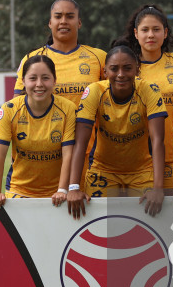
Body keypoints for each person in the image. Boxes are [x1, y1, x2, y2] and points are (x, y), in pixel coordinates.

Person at [66, 43, 167, 219]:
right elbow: (81, 143)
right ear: (105, 71)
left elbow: (157, 140)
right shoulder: (94, 91)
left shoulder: (150, 90)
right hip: (103, 170)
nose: (121, 74)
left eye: (127, 68)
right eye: (114, 69)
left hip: (141, 171)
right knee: (98, 225)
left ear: (137, 70)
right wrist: (74, 187)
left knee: (145, 225)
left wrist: (158, 188)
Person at [115, 4, 173, 191]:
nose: (151, 35)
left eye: (156, 29)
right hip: (133, 161)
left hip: (171, 156)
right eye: (145, 30)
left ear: (165, 32)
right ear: (136, 33)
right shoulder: (126, 67)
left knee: (169, 217)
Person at [0, 55, 76, 207]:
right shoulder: (9, 110)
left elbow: (68, 153)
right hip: (19, 190)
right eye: (33, 78)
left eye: (45, 78)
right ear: (23, 81)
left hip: (56, 194)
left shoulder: (68, 109)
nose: (39, 84)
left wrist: (62, 190)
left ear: (54, 80)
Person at [14, 0, 106, 105]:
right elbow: (17, 105)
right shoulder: (32, 59)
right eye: (58, 17)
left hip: (87, 122)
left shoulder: (99, 57)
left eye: (70, 17)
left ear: (79, 23)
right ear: (50, 23)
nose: (63, 21)